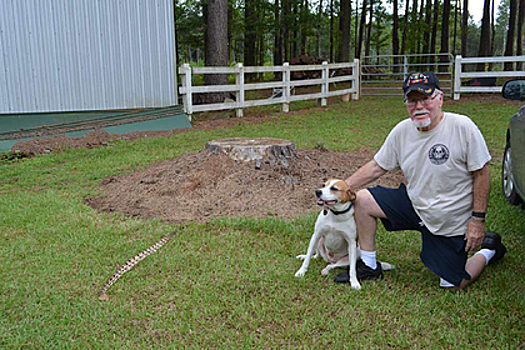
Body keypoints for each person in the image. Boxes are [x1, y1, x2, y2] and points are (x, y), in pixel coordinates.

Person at [335, 72, 506, 290]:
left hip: (449, 219)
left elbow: (481, 174)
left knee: (454, 284)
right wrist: (341, 188)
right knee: (363, 200)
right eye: (412, 100)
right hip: (415, 204)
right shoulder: (402, 131)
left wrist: (477, 221)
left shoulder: (463, 127)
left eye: (426, 98)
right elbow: (378, 166)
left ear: (440, 98)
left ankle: (488, 250)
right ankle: (369, 265)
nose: (419, 106)